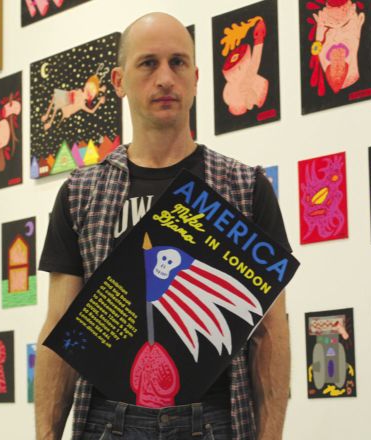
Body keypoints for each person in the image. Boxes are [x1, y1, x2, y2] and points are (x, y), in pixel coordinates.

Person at [35, 12, 291, 440]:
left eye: (178, 62)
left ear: (196, 77)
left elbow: (270, 331)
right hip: (106, 421)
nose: (166, 78)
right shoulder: (81, 194)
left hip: (215, 421)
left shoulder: (245, 188)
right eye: (148, 63)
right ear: (119, 81)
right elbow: (60, 326)